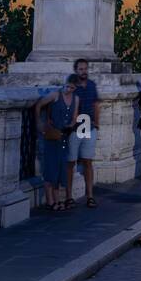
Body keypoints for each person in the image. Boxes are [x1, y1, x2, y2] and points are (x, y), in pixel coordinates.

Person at [34, 74, 81, 211]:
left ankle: (57, 199)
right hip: (53, 136)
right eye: (67, 86)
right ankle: (50, 201)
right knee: (51, 167)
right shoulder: (55, 95)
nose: (68, 89)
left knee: (61, 169)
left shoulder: (75, 99)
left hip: (65, 137)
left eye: (72, 88)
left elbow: (74, 117)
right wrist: (39, 122)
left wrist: (71, 125)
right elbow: (39, 105)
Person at [66, 59, 101, 208]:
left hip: (89, 126)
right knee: (70, 162)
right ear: (76, 70)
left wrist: (97, 123)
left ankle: (90, 196)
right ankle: (68, 196)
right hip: (75, 128)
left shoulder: (92, 85)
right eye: (80, 69)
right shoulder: (71, 84)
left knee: (88, 161)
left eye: (85, 69)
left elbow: (96, 104)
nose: (83, 71)